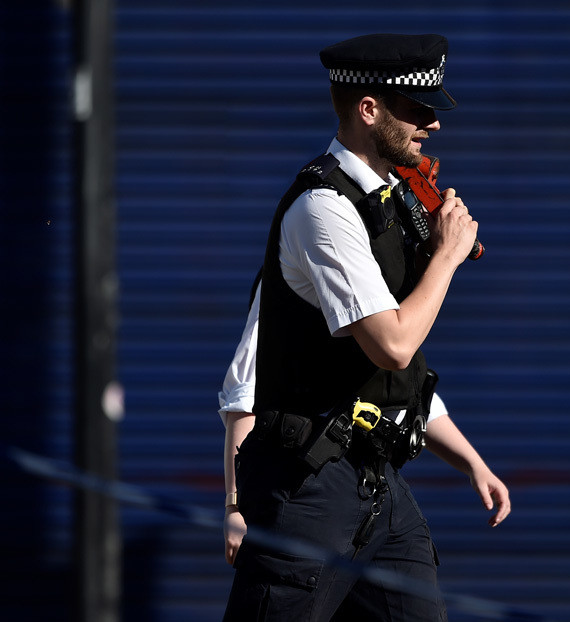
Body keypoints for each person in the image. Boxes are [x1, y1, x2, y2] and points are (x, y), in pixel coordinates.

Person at [217, 33, 510, 621]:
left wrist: (471, 460)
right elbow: (394, 345)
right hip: (308, 488)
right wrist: (448, 258)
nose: (431, 123)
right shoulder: (322, 209)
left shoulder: (393, 201)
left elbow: (394, 383)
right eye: (416, 108)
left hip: (377, 483)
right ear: (369, 109)